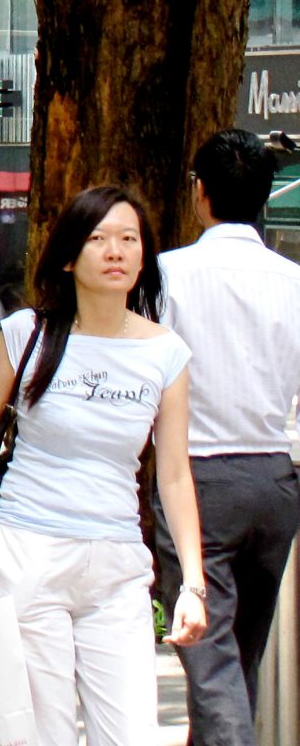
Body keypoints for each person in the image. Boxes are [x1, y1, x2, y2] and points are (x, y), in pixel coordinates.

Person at [0, 184, 207, 746]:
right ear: (67, 256)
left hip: (117, 565)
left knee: (130, 734)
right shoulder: (27, 334)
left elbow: (174, 474)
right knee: (36, 734)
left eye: (129, 239)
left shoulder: (166, 352)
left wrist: (194, 584)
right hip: (26, 556)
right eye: (98, 239)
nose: (115, 252)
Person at [158, 129, 300, 746]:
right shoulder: (293, 279)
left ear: (200, 193)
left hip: (198, 480)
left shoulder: (168, 274)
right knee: (236, 664)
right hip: (275, 480)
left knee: (213, 666)